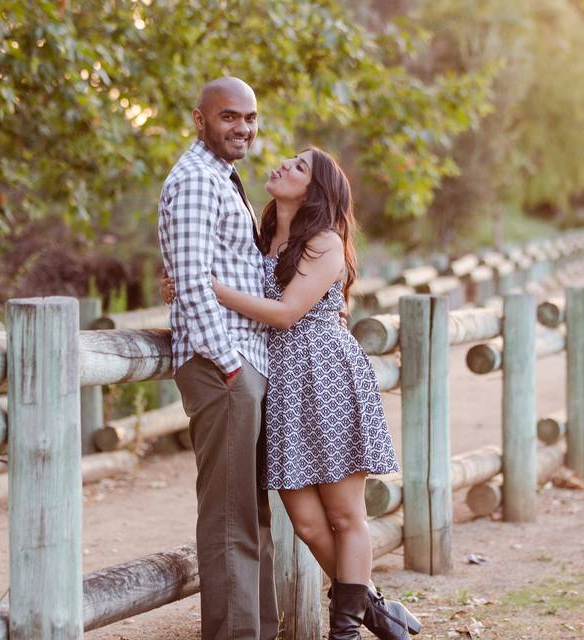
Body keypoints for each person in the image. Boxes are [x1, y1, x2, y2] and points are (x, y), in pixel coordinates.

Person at [163, 147, 421, 640]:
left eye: (299, 167)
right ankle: (372, 608)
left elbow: (284, 314)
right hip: (281, 384)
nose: (283, 166)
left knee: (345, 514)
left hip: (325, 376)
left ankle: (343, 631)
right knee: (304, 523)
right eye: (290, 161)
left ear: (315, 189)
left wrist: (207, 287)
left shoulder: (323, 241)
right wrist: (180, 285)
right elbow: (235, 286)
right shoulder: (262, 240)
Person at [158, 77, 277, 640]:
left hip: (242, 364)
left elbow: (214, 271)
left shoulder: (222, 179)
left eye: (250, 118)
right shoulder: (198, 182)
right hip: (222, 368)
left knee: (251, 514)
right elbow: (192, 283)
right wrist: (230, 364)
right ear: (199, 119)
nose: (244, 129)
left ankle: (261, 629)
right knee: (231, 519)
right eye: (230, 117)